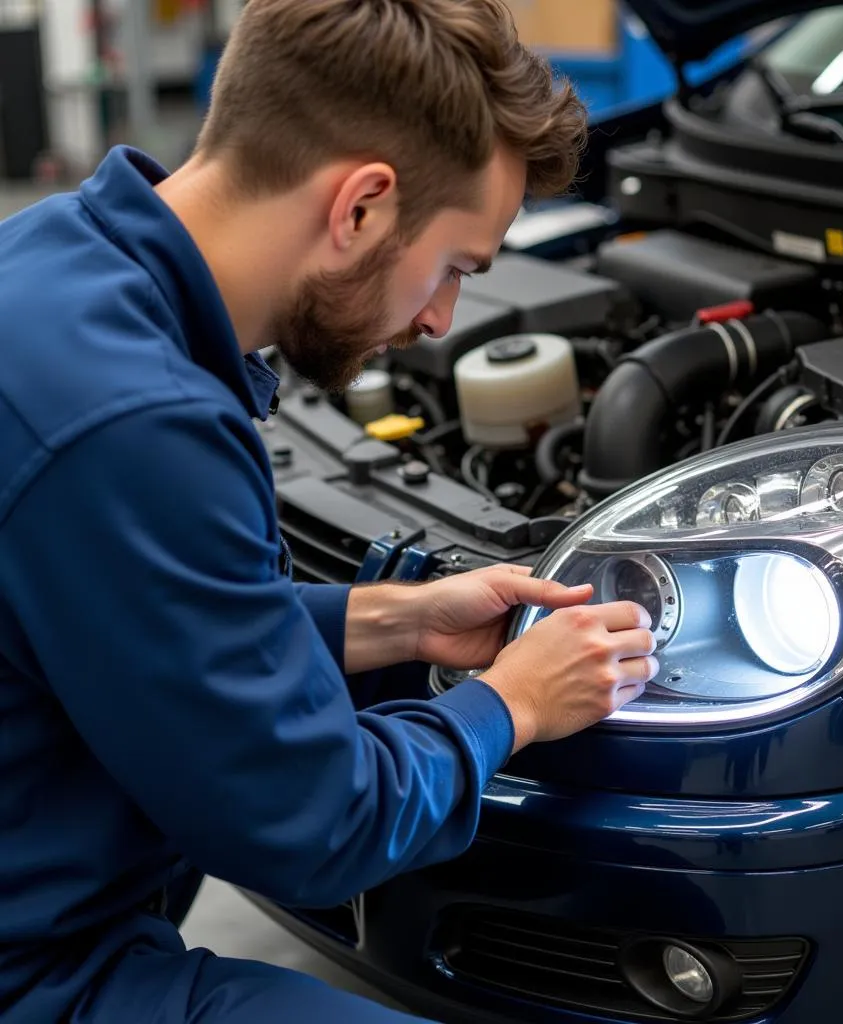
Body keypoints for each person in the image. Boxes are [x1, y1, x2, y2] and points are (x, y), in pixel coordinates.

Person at [0, 1, 661, 1022]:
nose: (442, 319)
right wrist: (511, 705)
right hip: (41, 972)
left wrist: (390, 619)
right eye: (454, 267)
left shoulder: (56, 262)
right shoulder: (138, 423)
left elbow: (134, 616)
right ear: (360, 205)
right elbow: (311, 826)